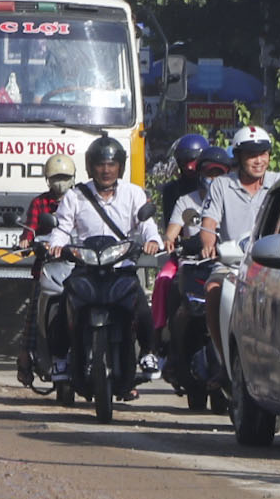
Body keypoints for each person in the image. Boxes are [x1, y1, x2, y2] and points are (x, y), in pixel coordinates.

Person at [44, 136, 163, 382]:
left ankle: (149, 353)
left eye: (111, 164)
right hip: (85, 267)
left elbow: (146, 224)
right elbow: (63, 227)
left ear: (120, 166)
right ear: (90, 167)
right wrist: (56, 245)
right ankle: (60, 359)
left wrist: (153, 241)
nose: (106, 170)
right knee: (64, 301)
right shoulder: (75, 196)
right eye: (100, 164)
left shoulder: (133, 193)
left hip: (121, 268)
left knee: (140, 303)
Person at [198, 125, 277, 350]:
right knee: (213, 290)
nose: (259, 160)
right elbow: (209, 224)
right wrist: (208, 245)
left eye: (263, 154)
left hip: (272, 264)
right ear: (239, 157)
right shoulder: (222, 185)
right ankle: (222, 357)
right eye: (252, 155)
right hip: (232, 263)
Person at [13, 154, 79, 387]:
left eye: (64, 177)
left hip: (79, 266)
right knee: (33, 314)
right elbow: (29, 229)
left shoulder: (80, 200)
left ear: (73, 178)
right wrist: (26, 241)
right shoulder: (39, 203)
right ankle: (25, 360)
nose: (60, 182)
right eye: (55, 178)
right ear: (47, 179)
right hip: (49, 267)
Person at [158, 134, 209, 226]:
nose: (189, 167)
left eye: (193, 161)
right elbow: (170, 228)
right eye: (184, 161)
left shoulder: (217, 187)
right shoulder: (171, 190)